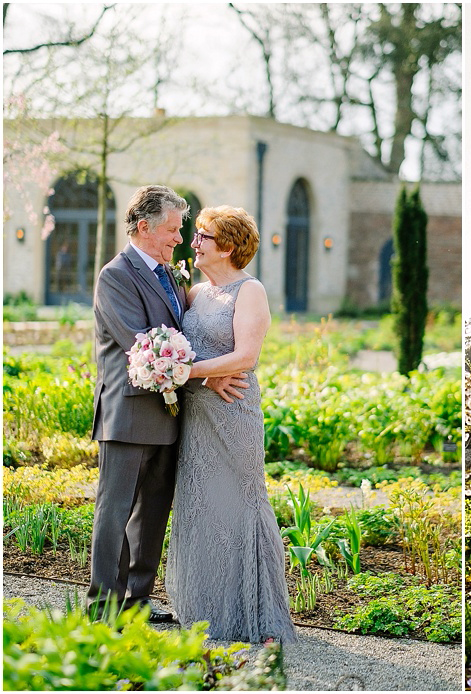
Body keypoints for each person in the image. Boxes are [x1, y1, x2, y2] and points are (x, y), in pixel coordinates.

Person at [88, 186, 240, 621]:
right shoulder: (115, 276)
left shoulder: (173, 275)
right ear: (144, 227)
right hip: (129, 411)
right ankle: (103, 607)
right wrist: (208, 373)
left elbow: (181, 337)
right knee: (115, 512)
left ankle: (136, 601)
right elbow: (143, 344)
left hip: (171, 412)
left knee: (152, 513)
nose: (180, 238)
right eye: (173, 229)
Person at [164, 205, 297, 643]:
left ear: (229, 247)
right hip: (197, 418)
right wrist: (187, 371)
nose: (194, 242)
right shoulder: (195, 293)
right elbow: (177, 346)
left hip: (234, 413)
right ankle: (203, 610)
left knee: (243, 505)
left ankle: (261, 618)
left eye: (203, 236)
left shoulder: (250, 291)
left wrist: (190, 371)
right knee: (200, 507)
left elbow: (246, 357)